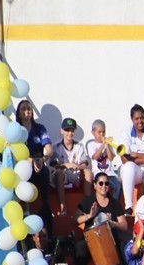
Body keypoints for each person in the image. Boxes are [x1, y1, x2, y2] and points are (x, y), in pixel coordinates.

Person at [73, 171, 128, 265]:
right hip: (91, 238)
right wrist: (89, 216)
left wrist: (113, 224)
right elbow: (75, 220)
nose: (104, 186)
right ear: (95, 185)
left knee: (123, 245)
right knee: (80, 246)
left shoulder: (114, 203)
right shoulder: (88, 201)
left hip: (110, 238)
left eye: (107, 183)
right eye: (101, 183)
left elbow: (124, 225)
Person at [18, 99, 53, 234]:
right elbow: (16, 152)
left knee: (45, 172)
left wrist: (42, 159)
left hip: (39, 161)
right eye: (23, 109)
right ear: (19, 113)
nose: (27, 111)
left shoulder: (40, 128)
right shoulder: (17, 129)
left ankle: (45, 204)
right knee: (24, 173)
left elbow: (49, 150)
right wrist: (30, 161)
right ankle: (26, 212)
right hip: (23, 163)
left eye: (29, 108)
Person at [50, 117, 92, 216]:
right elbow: (54, 165)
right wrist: (66, 165)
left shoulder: (79, 145)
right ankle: (63, 207)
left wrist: (78, 167)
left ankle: (88, 206)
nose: (70, 133)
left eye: (72, 130)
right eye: (67, 130)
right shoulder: (56, 146)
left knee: (88, 173)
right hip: (63, 175)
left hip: (76, 173)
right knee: (58, 173)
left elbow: (84, 164)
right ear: (61, 131)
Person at [85, 119, 122, 204]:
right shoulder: (91, 145)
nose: (102, 134)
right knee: (102, 188)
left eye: (104, 132)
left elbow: (111, 158)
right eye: (99, 132)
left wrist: (107, 145)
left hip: (110, 173)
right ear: (93, 132)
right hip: (98, 173)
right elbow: (95, 157)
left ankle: (114, 205)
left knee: (118, 186)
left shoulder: (107, 144)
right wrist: (103, 144)